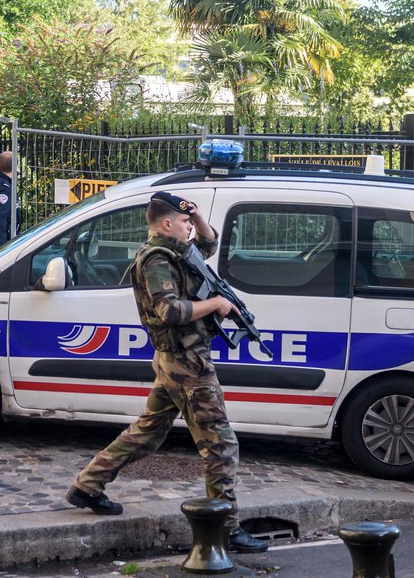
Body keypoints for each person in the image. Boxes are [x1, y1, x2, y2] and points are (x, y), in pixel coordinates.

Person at [65, 191, 269, 553]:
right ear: (166, 223)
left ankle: (88, 485)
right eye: (186, 222)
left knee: (147, 432)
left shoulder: (180, 251)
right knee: (221, 446)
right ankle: (226, 528)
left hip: (177, 361)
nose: (192, 227)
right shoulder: (157, 259)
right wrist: (216, 304)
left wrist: (198, 215)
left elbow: (208, 244)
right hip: (185, 363)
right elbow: (170, 311)